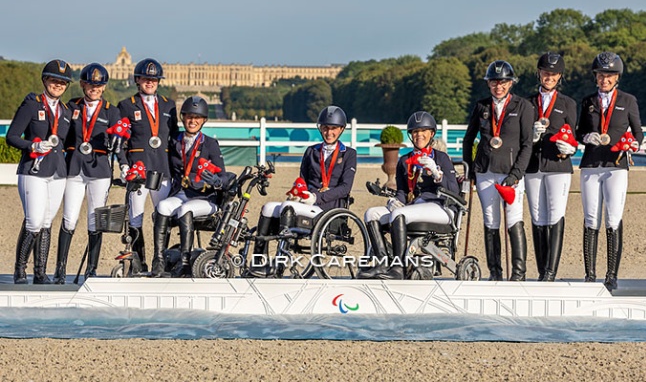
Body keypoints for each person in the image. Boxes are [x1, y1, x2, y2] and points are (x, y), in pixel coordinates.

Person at [247, 105, 357, 277]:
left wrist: (317, 197)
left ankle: (279, 265)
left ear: (341, 129)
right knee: (268, 207)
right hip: (306, 203)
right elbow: (302, 181)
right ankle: (258, 261)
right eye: (325, 128)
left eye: (333, 128)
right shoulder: (311, 151)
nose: (329, 132)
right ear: (320, 128)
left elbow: (345, 188)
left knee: (288, 208)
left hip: (329, 208)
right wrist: (298, 194)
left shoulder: (349, 154)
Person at [359, 111, 460, 280]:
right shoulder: (404, 160)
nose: (419, 135)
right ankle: (383, 262)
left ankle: (399, 268)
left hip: (441, 207)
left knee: (400, 214)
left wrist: (437, 173)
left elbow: (454, 190)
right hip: (414, 207)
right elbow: (403, 192)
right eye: (415, 132)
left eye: (423, 131)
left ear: (431, 134)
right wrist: (395, 201)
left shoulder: (441, 157)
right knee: (371, 214)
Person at [53, 63, 127, 284]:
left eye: (98, 85)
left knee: (95, 221)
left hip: (99, 170)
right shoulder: (71, 106)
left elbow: (120, 140)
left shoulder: (111, 111)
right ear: (82, 84)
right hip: (74, 167)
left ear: (103, 87)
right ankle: (60, 269)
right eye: (89, 84)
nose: (93, 88)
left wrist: (123, 163)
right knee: (69, 218)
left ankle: (91, 270)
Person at [462, 60, 535, 281]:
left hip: (510, 174)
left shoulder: (523, 106)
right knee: (490, 220)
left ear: (511, 83)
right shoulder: (481, 106)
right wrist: (470, 170)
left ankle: (518, 274)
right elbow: (468, 140)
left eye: (503, 82)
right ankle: (495, 272)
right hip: (485, 172)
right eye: (494, 82)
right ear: (488, 84)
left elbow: (527, 144)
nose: (498, 86)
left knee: (513, 219)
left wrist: (516, 174)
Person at [576, 51, 643, 291]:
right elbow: (577, 133)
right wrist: (586, 136)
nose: (605, 79)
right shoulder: (588, 101)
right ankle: (590, 274)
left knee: (613, 218)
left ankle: (611, 274)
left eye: (610, 75)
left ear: (617, 77)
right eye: (601, 75)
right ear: (596, 77)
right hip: (591, 165)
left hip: (616, 166)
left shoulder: (628, 100)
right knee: (591, 218)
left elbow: (638, 133)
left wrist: (632, 144)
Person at [6, 59, 74, 284]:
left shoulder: (66, 111)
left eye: (63, 83)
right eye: (54, 80)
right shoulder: (32, 104)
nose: (58, 85)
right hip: (33, 170)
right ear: (45, 80)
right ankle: (19, 269)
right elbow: (12, 136)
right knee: (33, 221)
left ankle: (40, 272)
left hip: (57, 171)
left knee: (46, 222)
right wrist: (32, 145)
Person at [150, 96, 226, 277]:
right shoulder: (175, 141)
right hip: (182, 192)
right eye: (189, 117)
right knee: (162, 206)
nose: (192, 121)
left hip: (204, 196)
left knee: (185, 209)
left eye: (197, 118)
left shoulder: (210, 144)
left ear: (203, 120)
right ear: (183, 118)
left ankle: (184, 262)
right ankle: (158, 259)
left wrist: (216, 181)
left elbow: (223, 174)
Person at [118, 58, 178, 273]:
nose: (150, 82)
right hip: (139, 170)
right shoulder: (126, 105)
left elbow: (174, 138)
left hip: (162, 169)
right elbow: (121, 140)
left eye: (154, 79)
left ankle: (159, 260)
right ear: (138, 80)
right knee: (136, 217)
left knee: (163, 217)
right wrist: (124, 165)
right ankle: (137, 261)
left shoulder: (168, 105)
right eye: (146, 78)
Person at [525, 53, 577, 281]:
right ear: (539, 73)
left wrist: (571, 148)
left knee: (555, 214)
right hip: (533, 165)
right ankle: (540, 270)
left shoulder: (568, 103)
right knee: (538, 216)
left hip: (558, 165)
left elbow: (572, 135)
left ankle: (551, 272)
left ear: (559, 77)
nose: (549, 77)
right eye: (545, 72)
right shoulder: (526, 102)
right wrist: (532, 136)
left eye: (553, 74)